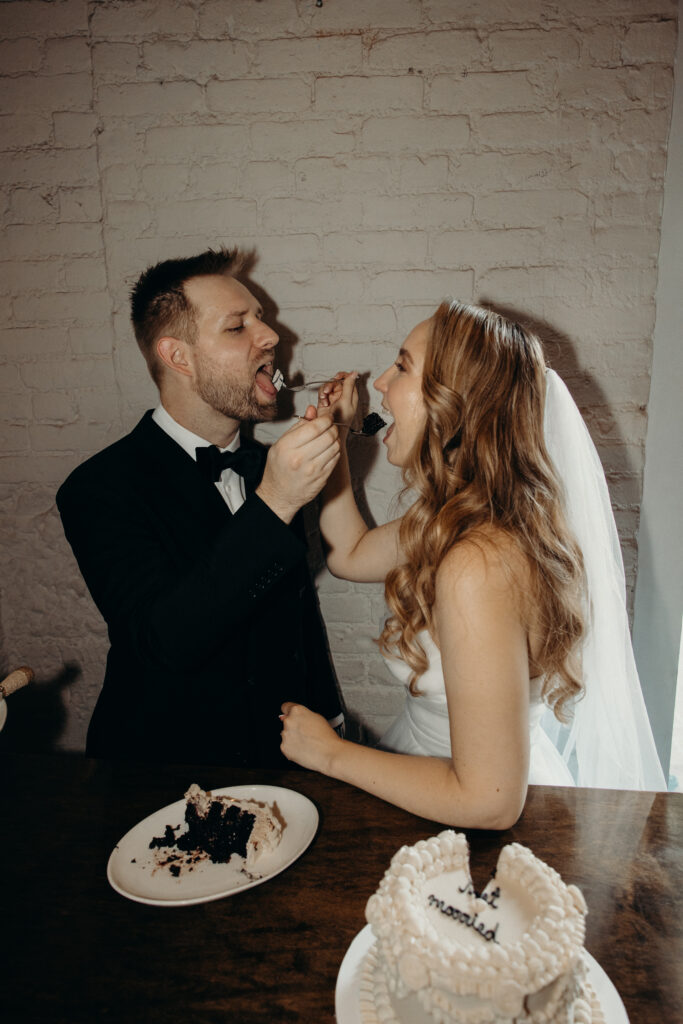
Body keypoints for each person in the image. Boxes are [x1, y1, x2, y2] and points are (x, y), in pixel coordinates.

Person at [280, 300, 665, 827]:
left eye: (403, 366)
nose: (382, 383)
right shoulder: (460, 516)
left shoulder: (477, 562)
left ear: (457, 404)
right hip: (424, 776)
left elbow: (489, 799)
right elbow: (350, 554)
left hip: (458, 813)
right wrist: (339, 441)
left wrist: (327, 752)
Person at [57, 247, 344, 767]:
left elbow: (296, 620)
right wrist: (275, 502)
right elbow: (164, 641)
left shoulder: (266, 465)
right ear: (178, 357)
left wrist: (330, 717)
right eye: (238, 326)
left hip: (285, 763)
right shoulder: (98, 487)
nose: (272, 336)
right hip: (162, 773)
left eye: (260, 317)